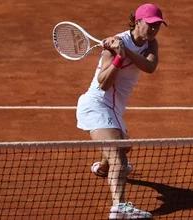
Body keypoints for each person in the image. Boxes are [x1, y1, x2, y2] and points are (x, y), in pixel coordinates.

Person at [76, 3, 167, 219]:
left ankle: (103, 168)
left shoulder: (150, 44)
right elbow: (103, 83)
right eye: (150, 25)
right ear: (137, 22)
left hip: (115, 110)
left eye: (157, 26)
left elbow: (149, 67)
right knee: (121, 161)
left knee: (125, 147)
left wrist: (126, 53)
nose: (154, 30)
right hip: (97, 106)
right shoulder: (113, 45)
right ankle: (119, 208)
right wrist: (117, 56)